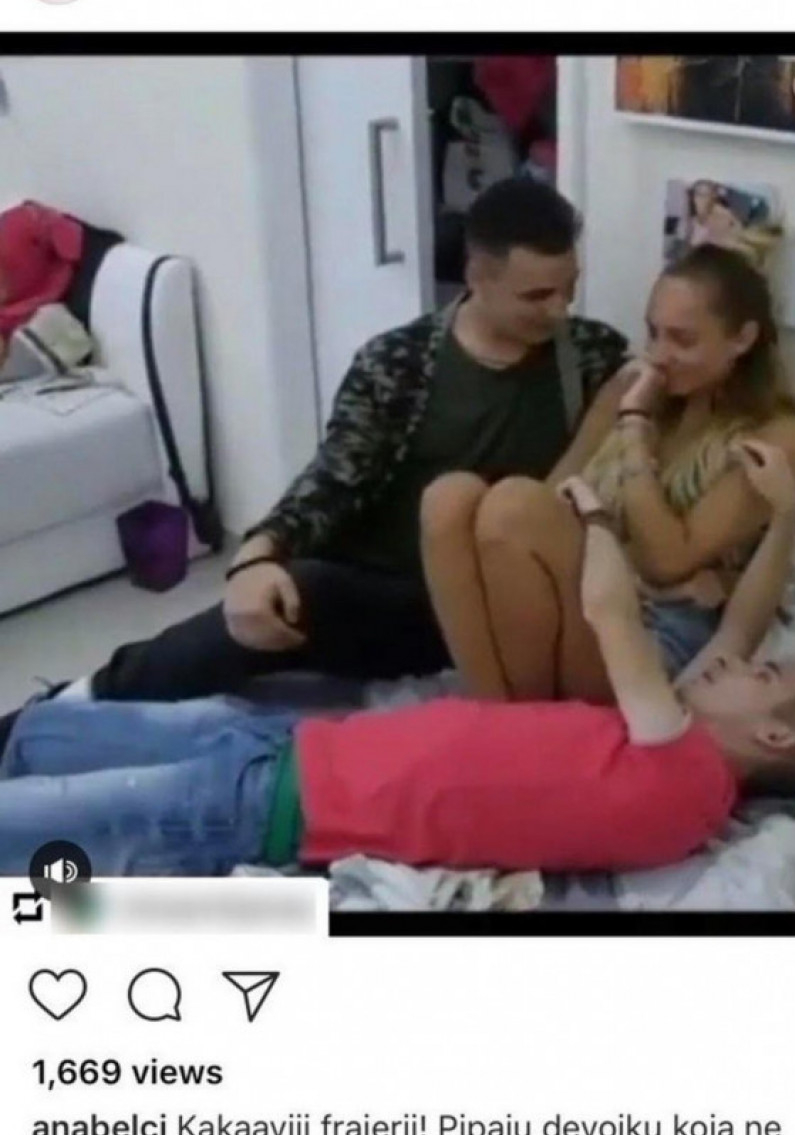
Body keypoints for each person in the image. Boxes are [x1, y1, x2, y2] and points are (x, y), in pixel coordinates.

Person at [0, 443, 795, 879]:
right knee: (47, 735)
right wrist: (784, 517)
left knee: (48, 815)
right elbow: (739, 627)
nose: (744, 665)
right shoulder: (680, 731)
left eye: (766, 676)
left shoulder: (688, 781)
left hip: (269, 802)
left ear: (773, 738)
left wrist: (593, 516)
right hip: (290, 742)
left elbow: (611, 613)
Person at [1, 178, 626, 734]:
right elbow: (335, 476)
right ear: (477, 277)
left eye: (568, 290)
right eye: (536, 296)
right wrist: (258, 554)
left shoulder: (592, 357)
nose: (558, 310)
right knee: (277, 603)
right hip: (389, 589)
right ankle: (64, 709)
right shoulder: (401, 363)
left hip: (505, 607)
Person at [420, 244, 795, 701]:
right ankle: (495, 712)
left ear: (742, 338)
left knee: (514, 507)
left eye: (682, 339)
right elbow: (554, 495)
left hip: (661, 630)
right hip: (602, 585)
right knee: (449, 498)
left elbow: (666, 563)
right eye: (653, 333)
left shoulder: (777, 434)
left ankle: (519, 722)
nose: (659, 355)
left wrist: (634, 430)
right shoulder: (633, 384)